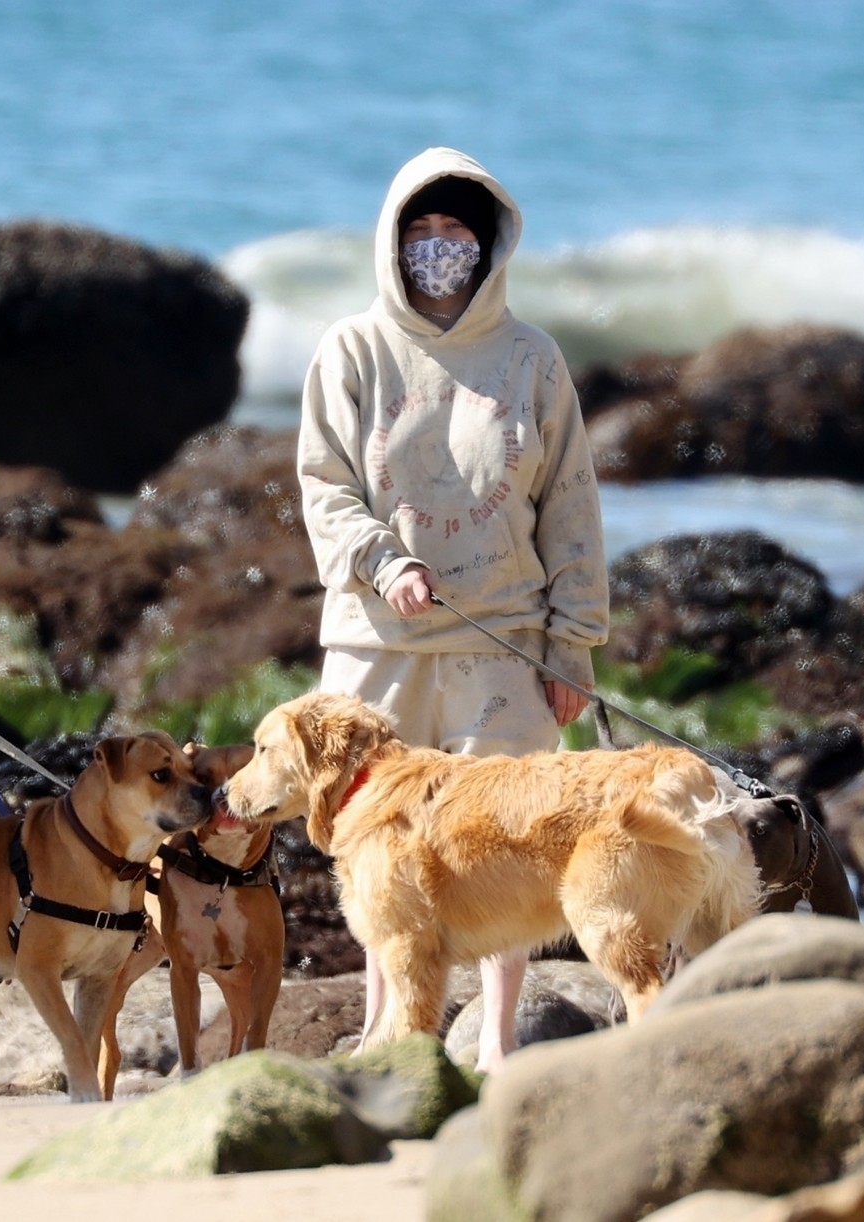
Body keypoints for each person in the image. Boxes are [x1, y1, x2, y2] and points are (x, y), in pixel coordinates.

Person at [297, 146, 609, 1073]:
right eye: (420, 230)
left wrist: (573, 645)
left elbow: (571, 506)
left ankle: (499, 1040)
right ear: (393, 242)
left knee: (506, 844)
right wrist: (382, 559)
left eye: (456, 230)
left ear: (489, 243)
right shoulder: (351, 349)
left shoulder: (532, 358)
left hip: (504, 639)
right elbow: (325, 485)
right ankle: (385, 1039)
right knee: (377, 848)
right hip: (377, 640)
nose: (438, 247)